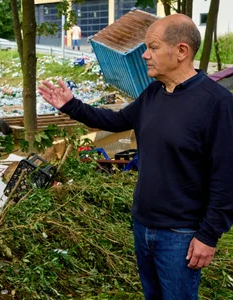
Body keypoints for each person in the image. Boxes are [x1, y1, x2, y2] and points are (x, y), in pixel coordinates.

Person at [38, 14, 233, 300]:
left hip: (180, 234)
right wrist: (71, 106)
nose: (145, 55)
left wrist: (208, 235)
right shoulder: (154, 92)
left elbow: (227, 177)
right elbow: (117, 121)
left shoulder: (217, 103)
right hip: (143, 225)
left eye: (153, 47)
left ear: (181, 51)